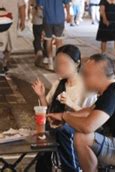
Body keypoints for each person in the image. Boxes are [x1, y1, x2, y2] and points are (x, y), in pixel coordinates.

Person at [47, 54, 115, 170]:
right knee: (75, 131)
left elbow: (87, 126)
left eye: (86, 75)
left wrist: (65, 116)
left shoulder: (113, 93)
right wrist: (59, 116)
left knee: (81, 137)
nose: (82, 79)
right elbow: (88, 112)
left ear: (99, 76)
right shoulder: (112, 89)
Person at [32, 44, 96, 172]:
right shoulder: (58, 84)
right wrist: (42, 96)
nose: (60, 67)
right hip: (56, 131)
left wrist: (71, 103)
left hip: (75, 133)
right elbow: (48, 113)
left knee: (62, 132)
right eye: (57, 63)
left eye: (64, 63)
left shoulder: (86, 87)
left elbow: (92, 117)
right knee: (43, 143)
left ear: (77, 63)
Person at [36, 0, 72, 71]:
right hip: (59, 17)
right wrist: (69, 14)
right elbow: (67, 1)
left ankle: (50, 61)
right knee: (59, 40)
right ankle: (59, 62)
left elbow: (40, 6)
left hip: (47, 17)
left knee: (48, 40)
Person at [0, 0, 26, 75]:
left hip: (12, 25)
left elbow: (22, 6)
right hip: (0, 26)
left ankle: (4, 62)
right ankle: (1, 65)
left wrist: (23, 20)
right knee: (1, 45)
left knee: (10, 46)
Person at [29, 0, 49, 67]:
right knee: (47, 38)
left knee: (37, 37)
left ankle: (38, 51)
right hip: (48, 19)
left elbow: (31, 4)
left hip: (37, 19)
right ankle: (46, 56)